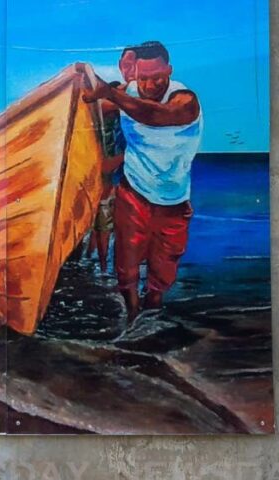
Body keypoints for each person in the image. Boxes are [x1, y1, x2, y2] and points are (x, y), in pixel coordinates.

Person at [82, 40, 202, 320]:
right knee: (127, 263)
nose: (149, 85)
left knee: (164, 269)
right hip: (134, 192)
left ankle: (153, 308)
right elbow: (91, 109)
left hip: (173, 199)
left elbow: (156, 116)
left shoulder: (185, 100)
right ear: (135, 73)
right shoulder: (127, 92)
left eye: (157, 77)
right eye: (143, 78)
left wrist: (111, 93)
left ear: (169, 70)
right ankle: (133, 313)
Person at [87, 47, 136, 273]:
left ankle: (102, 265)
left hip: (117, 179)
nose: (130, 69)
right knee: (104, 226)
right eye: (126, 63)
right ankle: (104, 267)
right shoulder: (109, 108)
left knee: (106, 227)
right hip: (108, 177)